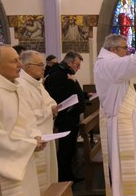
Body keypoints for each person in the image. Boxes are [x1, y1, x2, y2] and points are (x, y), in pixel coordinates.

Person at [94, 21, 136, 196]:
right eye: (125, 48)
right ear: (114, 49)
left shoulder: (108, 62)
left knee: (134, 163)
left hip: (123, 123)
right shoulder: (108, 64)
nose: (128, 51)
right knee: (125, 168)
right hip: (120, 127)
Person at [0, 45, 45, 196]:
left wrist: (35, 135)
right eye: (14, 61)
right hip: (1, 170)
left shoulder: (12, 87)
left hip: (22, 162)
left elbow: (27, 118)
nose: (20, 65)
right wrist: (29, 144)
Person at [18, 50, 59, 193]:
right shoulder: (21, 85)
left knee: (48, 175)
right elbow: (25, 115)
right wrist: (49, 110)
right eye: (40, 64)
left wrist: (53, 107)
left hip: (46, 134)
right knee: (38, 179)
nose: (44, 68)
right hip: (35, 138)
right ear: (28, 66)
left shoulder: (37, 83)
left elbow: (49, 101)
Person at [44, 51, 87, 182]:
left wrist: (84, 96)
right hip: (65, 120)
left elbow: (72, 93)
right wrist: (73, 84)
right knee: (65, 151)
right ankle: (64, 179)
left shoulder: (65, 73)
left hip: (70, 118)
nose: (78, 68)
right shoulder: (58, 75)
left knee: (69, 150)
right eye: (77, 65)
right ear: (69, 63)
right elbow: (60, 97)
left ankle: (68, 176)